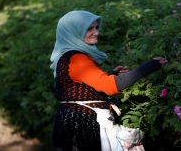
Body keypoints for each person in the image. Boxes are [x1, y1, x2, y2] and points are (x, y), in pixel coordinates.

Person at [50, 10, 168, 151]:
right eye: (89, 29)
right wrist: (148, 67)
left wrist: (112, 75)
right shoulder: (77, 58)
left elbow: (83, 87)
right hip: (82, 125)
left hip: (72, 122)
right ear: (75, 32)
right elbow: (109, 87)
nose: (96, 32)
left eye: (96, 27)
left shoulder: (67, 56)